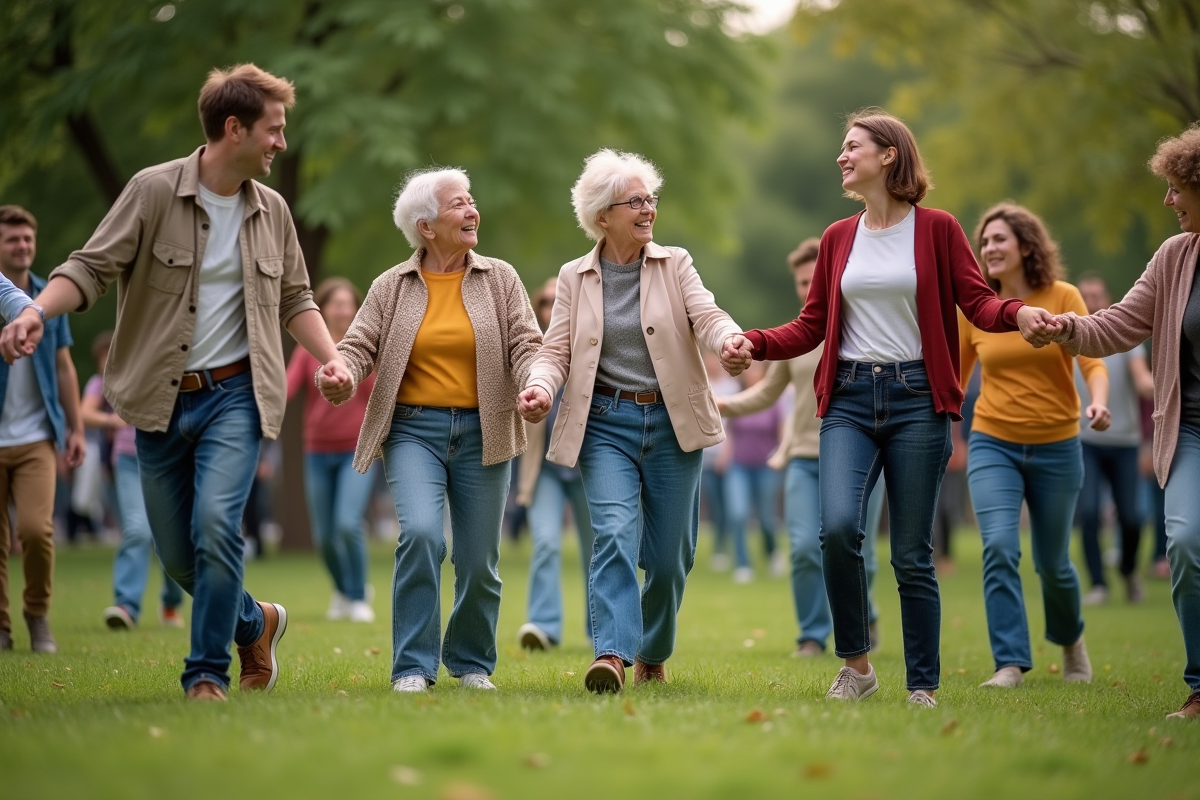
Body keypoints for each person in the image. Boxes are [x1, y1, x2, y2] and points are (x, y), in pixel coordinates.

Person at [2, 65, 354, 701]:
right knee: (180, 555)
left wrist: (331, 358)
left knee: (218, 526)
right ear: (233, 128)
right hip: (157, 401)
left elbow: (296, 296)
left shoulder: (271, 210)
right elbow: (89, 267)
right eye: (273, 131)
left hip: (236, 397)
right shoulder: (153, 192)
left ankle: (205, 676)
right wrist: (33, 310)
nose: (281, 143)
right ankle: (257, 622)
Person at [741, 110, 1062, 707]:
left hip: (918, 401)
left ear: (889, 155)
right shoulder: (839, 237)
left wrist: (1019, 314)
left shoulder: (937, 229)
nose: (842, 156)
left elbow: (978, 301)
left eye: (852, 147)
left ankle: (922, 684)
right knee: (836, 529)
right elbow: (813, 325)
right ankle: (857, 665)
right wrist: (754, 342)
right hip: (850, 401)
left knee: (912, 553)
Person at [518, 149, 751, 693]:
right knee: (613, 535)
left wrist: (731, 340)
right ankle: (612, 655)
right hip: (605, 423)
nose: (648, 209)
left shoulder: (677, 264)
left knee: (670, 560)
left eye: (651, 199)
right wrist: (538, 385)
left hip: (673, 425)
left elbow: (708, 315)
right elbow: (555, 351)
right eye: (636, 202)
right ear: (603, 216)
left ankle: (653, 650)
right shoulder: (575, 277)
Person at [323, 167, 542, 693]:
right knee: (420, 534)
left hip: (484, 428)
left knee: (478, 557)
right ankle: (413, 667)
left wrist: (537, 383)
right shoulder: (391, 286)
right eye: (459, 204)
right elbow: (357, 346)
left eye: (473, 201)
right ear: (426, 226)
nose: (472, 211)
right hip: (413, 431)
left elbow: (527, 343)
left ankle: (470, 663)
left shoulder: (501, 279)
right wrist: (341, 371)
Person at [1049, 123, 1200, 720]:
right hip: (1188, 428)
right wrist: (1064, 327)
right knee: (1186, 542)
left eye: (1176, 188)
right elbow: (1115, 324)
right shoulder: (1175, 256)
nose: (1168, 201)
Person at [960, 202, 1110, 689]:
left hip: (1057, 445)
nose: (989, 249)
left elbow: (1092, 359)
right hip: (992, 443)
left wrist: (1100, 404)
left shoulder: (1062, 296)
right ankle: (1009, 663)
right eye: (984, 242)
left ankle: (1071, 643)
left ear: (1026, 246)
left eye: (999, 239)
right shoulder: (977, 310)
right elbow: (955, 383)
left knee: (1053, 563)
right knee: (1000, 548)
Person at [719, 238, 883, 656]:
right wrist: (717, 403)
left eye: (814, 279)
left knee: (857, 550)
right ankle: (812, 635)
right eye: (800, 282)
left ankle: (864, 617)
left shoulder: (865, 329)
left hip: (864, 456)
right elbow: (765, 395)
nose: (807, 288)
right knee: (806, 549)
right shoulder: (796, 338)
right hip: (804, 458)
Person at [0, 205, 85, 654]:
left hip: (36, 436)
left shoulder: (49, 298)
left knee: (35, 530)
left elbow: (64, 366)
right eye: (12, 239)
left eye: (28, 239)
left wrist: (75, 428)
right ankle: (1, 626)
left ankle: (36, 613)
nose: (22, 246)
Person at [286, 277, 377, 622]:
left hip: (356, 449)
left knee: (346, 523)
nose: (342, 310)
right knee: (323, 535)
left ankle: (357, 596)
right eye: (335, 304)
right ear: (321, 310)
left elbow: (380, 396)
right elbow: (288, 386)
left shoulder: (366, 348)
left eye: (347, 303)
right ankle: (342, 589)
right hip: (317, 451)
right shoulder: (307, 350)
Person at [82, 331, 185, 629]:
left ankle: (170, 603)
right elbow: (84, 411)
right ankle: (126, 606)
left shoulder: (158, 367)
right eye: (101, 359)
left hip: (167, 459)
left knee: (170, 535)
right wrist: (109, 420)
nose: (105, 364)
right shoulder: (104, 383)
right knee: (138, 530)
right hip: (127, 461)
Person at [515, 279, 596, 651]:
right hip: (544, 468)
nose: (549, 307)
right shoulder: (528, 352)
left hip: (588, 466)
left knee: (598, 548)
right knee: (545, 541)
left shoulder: (591, 348)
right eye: (544, 301)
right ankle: (544, 626)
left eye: (555, 300)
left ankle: (603, 630)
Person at [1074, 272, 1155, 605]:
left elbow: (1142, 380)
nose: (1092, 302)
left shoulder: (1126, 338)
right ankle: (1098, 584)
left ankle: (1127, 570)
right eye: (1085, 296)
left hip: (1124, 441)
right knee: (1089, 513)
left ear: (1108, 299)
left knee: (1132, 517)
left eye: (1097, 296)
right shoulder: (1069, 338)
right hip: (1084, 440)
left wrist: (1164, 389)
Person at [722, 361, 785, 584]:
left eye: (755, 370)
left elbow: (782, 433)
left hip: (767, 467)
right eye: (748, 371)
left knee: (767, 518)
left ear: (763, 374)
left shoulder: (773, 401)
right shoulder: (737, 400)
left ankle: (772, 552)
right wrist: (724, 457)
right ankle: (742, 564)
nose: (751, 374)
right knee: (738, 514)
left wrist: (782, 456)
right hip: (738, 466)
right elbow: (730, 432)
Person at [701, 351, 739, 572]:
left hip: (727, 456)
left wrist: (727, 453)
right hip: (705, 457)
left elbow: (734, 425)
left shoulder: (732, 387)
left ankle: (730, 547)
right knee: (714, 506)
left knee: (731, 507)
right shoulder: (701, 383)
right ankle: (719, 548)